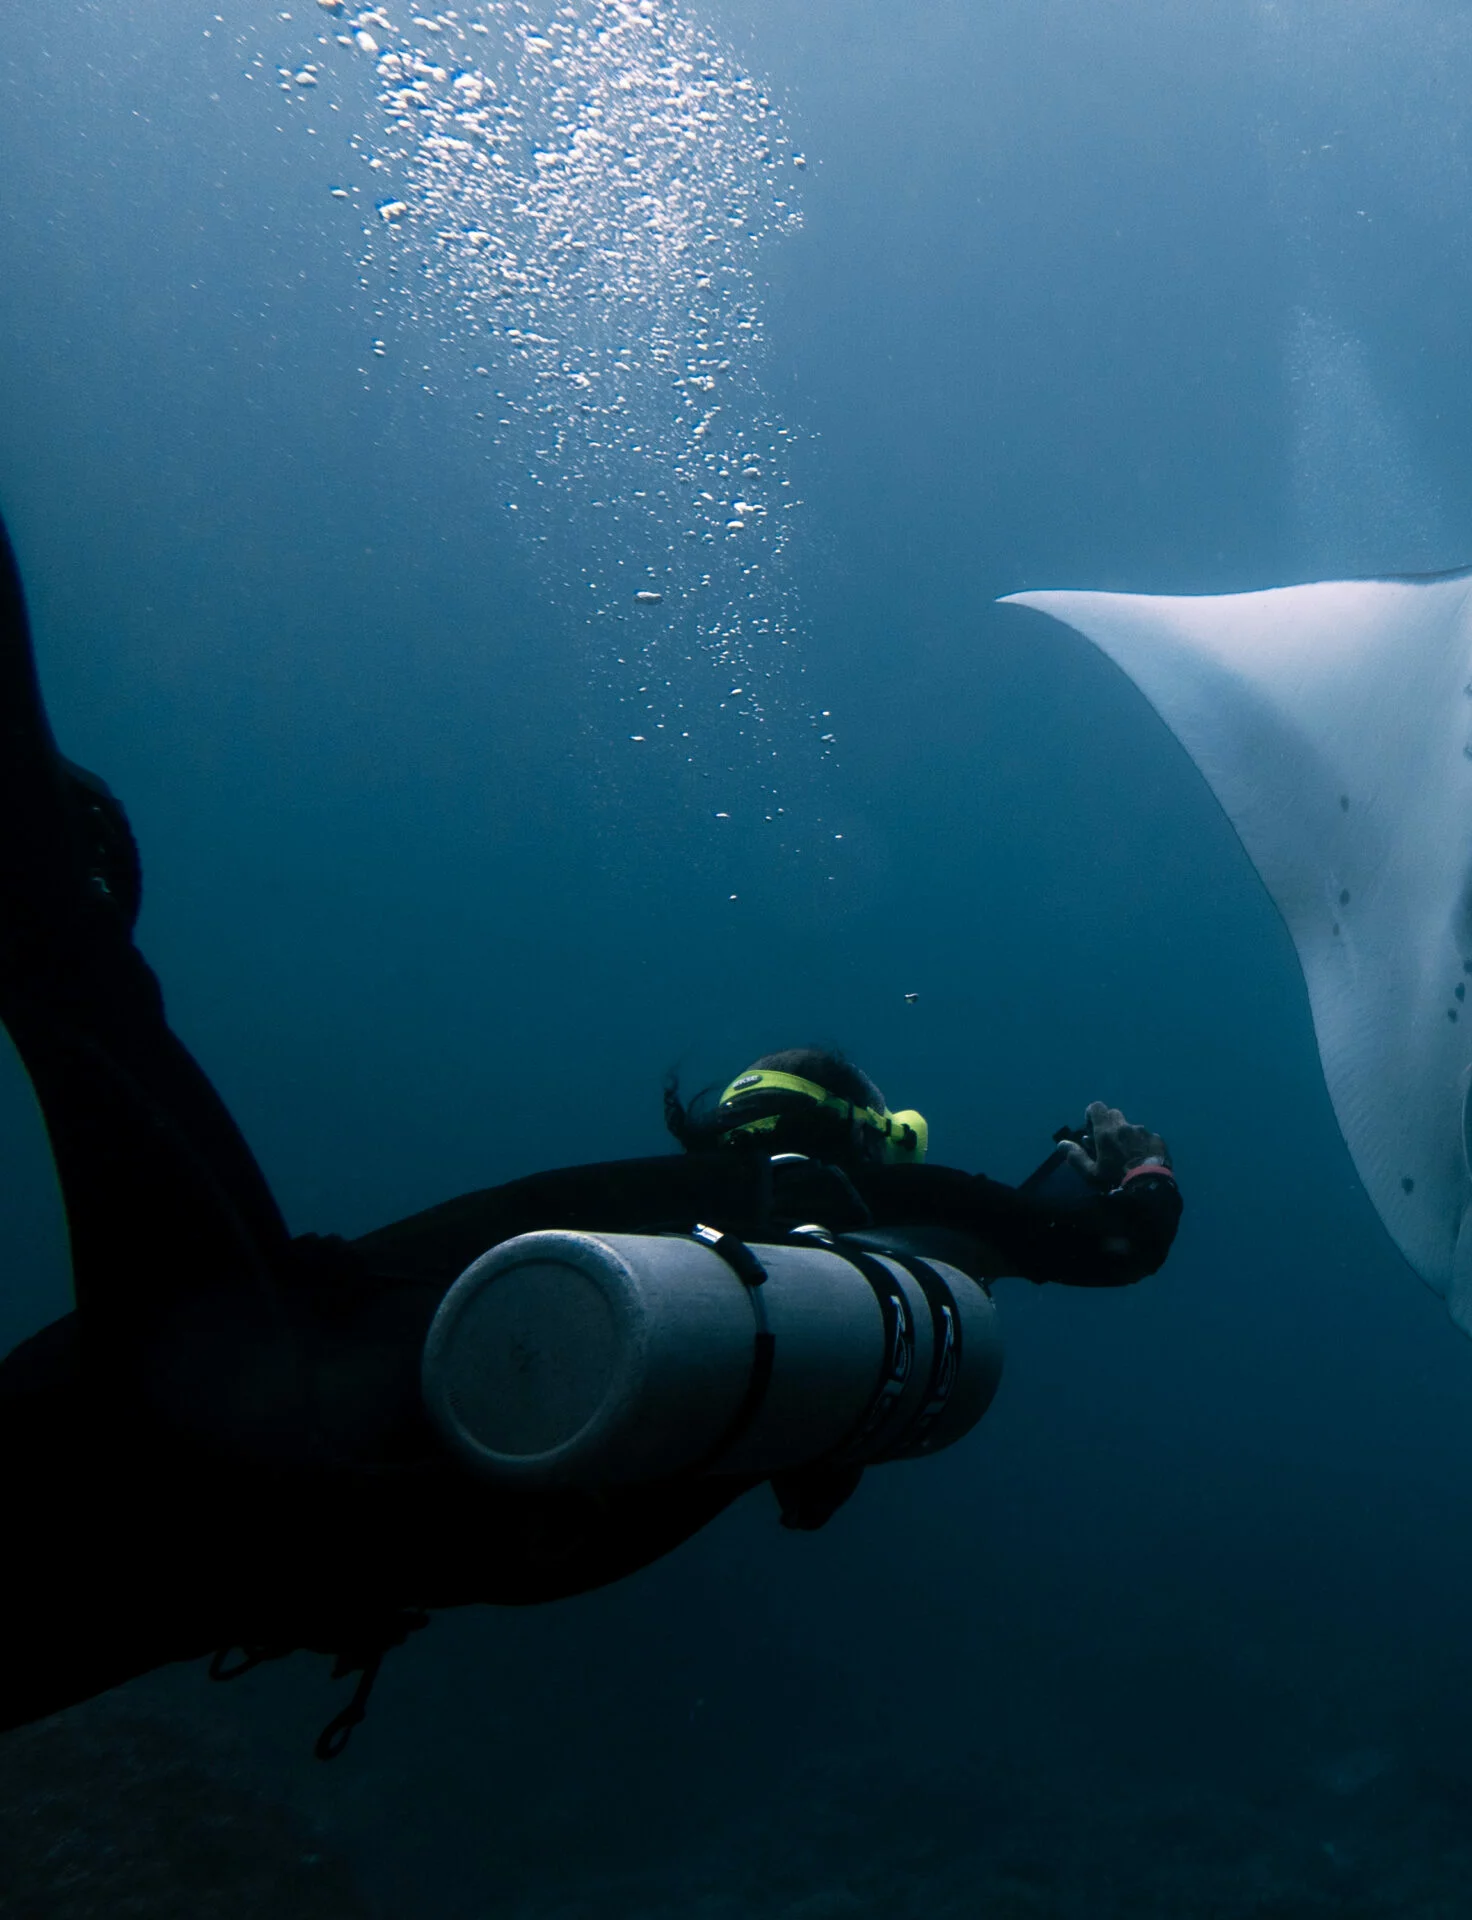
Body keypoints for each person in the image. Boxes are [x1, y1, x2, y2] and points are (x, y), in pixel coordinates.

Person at [0, 508, 1181, 1750]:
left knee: (73, 982)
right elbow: (1097, 1245)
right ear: (859, 1136)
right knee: (67, 981)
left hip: (238, 1393)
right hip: (295, 1539)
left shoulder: (661, 1220)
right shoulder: (825, 1234)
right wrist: (1135, 1166)